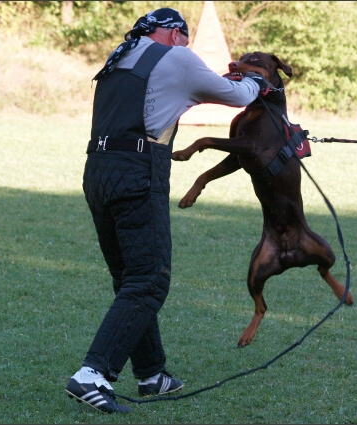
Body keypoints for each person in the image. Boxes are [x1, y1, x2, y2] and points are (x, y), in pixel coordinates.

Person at [65, 7, 269, 414]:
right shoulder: (177, 57)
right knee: (150, 280)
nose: (188, 47)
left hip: (98, 173)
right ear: (175, 34)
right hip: (140, 172)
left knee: (129, 278)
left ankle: (152, 374)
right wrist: (257, 79)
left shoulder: (119, 55)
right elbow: (240, 96)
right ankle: (93, 373)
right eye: (186, 39)